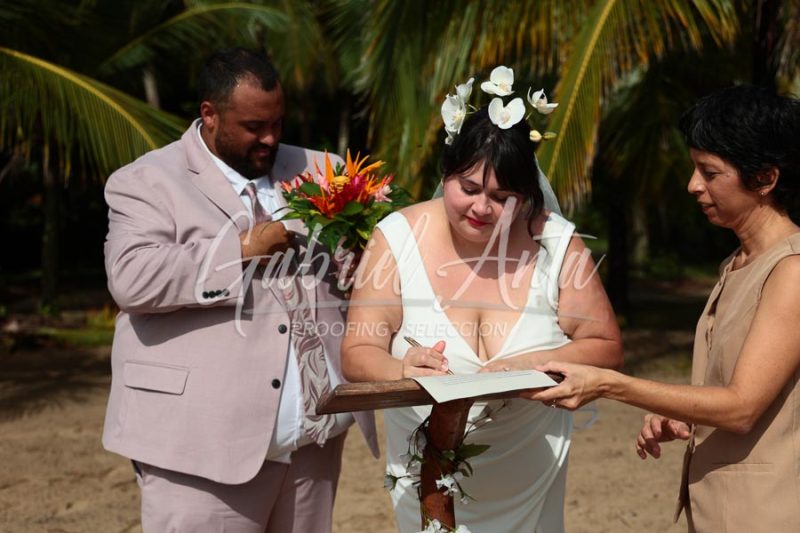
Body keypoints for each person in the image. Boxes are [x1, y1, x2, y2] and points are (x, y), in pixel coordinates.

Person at [102, 48, 378, 533]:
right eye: (254, 126)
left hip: (312, 443)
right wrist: (243, 248)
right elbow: (131, 278)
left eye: (277, 123)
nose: (270, 138)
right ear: (209, 114)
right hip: (201, 449)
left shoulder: (325, 169)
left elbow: (361, 270)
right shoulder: (145, 181)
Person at [529, 85, 800, 532]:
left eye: (709, 172)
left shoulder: (790, 270)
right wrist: (687, 414)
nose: (693, 185)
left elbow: (742, 407)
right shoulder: (739, 263)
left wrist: (611, 385)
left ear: (766, 179)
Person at [341, 103, 623, 532]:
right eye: (468, 188)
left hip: (529, 481)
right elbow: (358, 351)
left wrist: (533, 364)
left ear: (527, 195)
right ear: (445, 175)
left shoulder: (557, 243)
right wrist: (401, 368)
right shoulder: (396, 239)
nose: (481, 208)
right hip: (428, 480)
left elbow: (605, 345)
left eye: (502, 197)